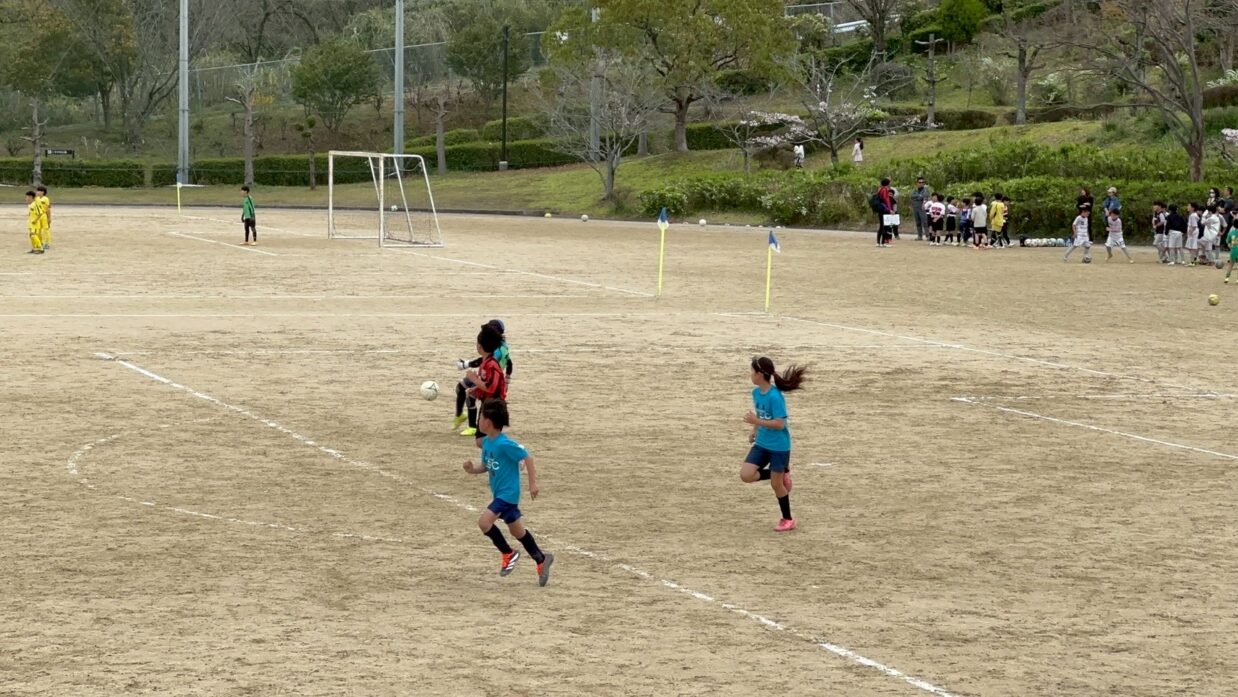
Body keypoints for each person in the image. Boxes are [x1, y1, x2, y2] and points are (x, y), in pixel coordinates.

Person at [462, 399, 553, 587]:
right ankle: (541, 558)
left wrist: (532, 484)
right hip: (500, 494)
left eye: (481, 418)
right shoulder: (487, 443)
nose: (479, 422)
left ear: (489, 422)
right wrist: (471, 469)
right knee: (517, 531)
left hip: (508, 494)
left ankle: (508, 553)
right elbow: (486, 466)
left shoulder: (504, 444)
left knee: (484, 522)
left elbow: (527, 457)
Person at [740, 356, 808, 532]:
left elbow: (780, 424)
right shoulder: (756, 393)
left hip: (779, 446)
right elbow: (761, 414)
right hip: (762, 443)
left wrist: (756, 421)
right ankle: (781, 473)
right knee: (746, 475)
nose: (750, 375)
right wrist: (755, 429)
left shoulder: (775, 396)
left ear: (759, 374)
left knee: (777, 485)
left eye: (752, 372)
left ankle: (788, 519)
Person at [454, 320, 513, 435]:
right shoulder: (504, 346)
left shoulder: (495, 352)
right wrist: (507, 380)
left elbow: (485, 361)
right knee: (463, 389)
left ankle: (472, 426)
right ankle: (462, 417)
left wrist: (466, 365)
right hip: (488, 377)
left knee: (471, 396)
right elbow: (510, 363)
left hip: (489, 379)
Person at [873, 178, 895, 247]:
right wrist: (890, 210)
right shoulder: (885, 190)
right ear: (887, 183)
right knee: (885, 226)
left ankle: (878, 242)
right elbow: (886, 200)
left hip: (880, 210)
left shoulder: (880, 189)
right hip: (884, 210)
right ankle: (883, 243)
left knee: (881, 226)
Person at [25, 190, 45, 255]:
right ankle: (34, 248)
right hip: (30, 223)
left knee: (33, 235)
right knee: (31, 235)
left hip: (35, 223)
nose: (26, 199)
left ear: (31, 197)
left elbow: (40, 213)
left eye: (27, 197)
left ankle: (41, 248)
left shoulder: (35, 204)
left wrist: (35, 220)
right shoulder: (30, 205)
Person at [35, 185, 51, 251]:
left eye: (39, 191)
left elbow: (48, 209)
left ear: (43, 192)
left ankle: (47, 243)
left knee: (45, 229)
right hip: (37, 216)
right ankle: (40, 242)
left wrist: (49, 218)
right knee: (38, 230)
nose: (38, 192)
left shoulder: (46, 199)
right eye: (37, 191)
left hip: (43, 215)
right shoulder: (36, 199)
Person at [1187, 202, 1202, 266]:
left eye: (1189, 206)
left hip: (1193, 232)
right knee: (1190, 247)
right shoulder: (1194, 215)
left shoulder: (1192, 216)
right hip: (1194, 232)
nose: (1188, 207)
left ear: (1193, 208)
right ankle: (1194, 259)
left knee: (1192, 247)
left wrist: (1190, 232)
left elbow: (1194, 226)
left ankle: (1192, 261)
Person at [1226, 217, 1238, 283]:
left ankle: (1227, 278)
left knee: (1231, 264)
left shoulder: (1231, 233)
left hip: (1233, 250)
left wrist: (1231, 247)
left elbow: (1228, 242)